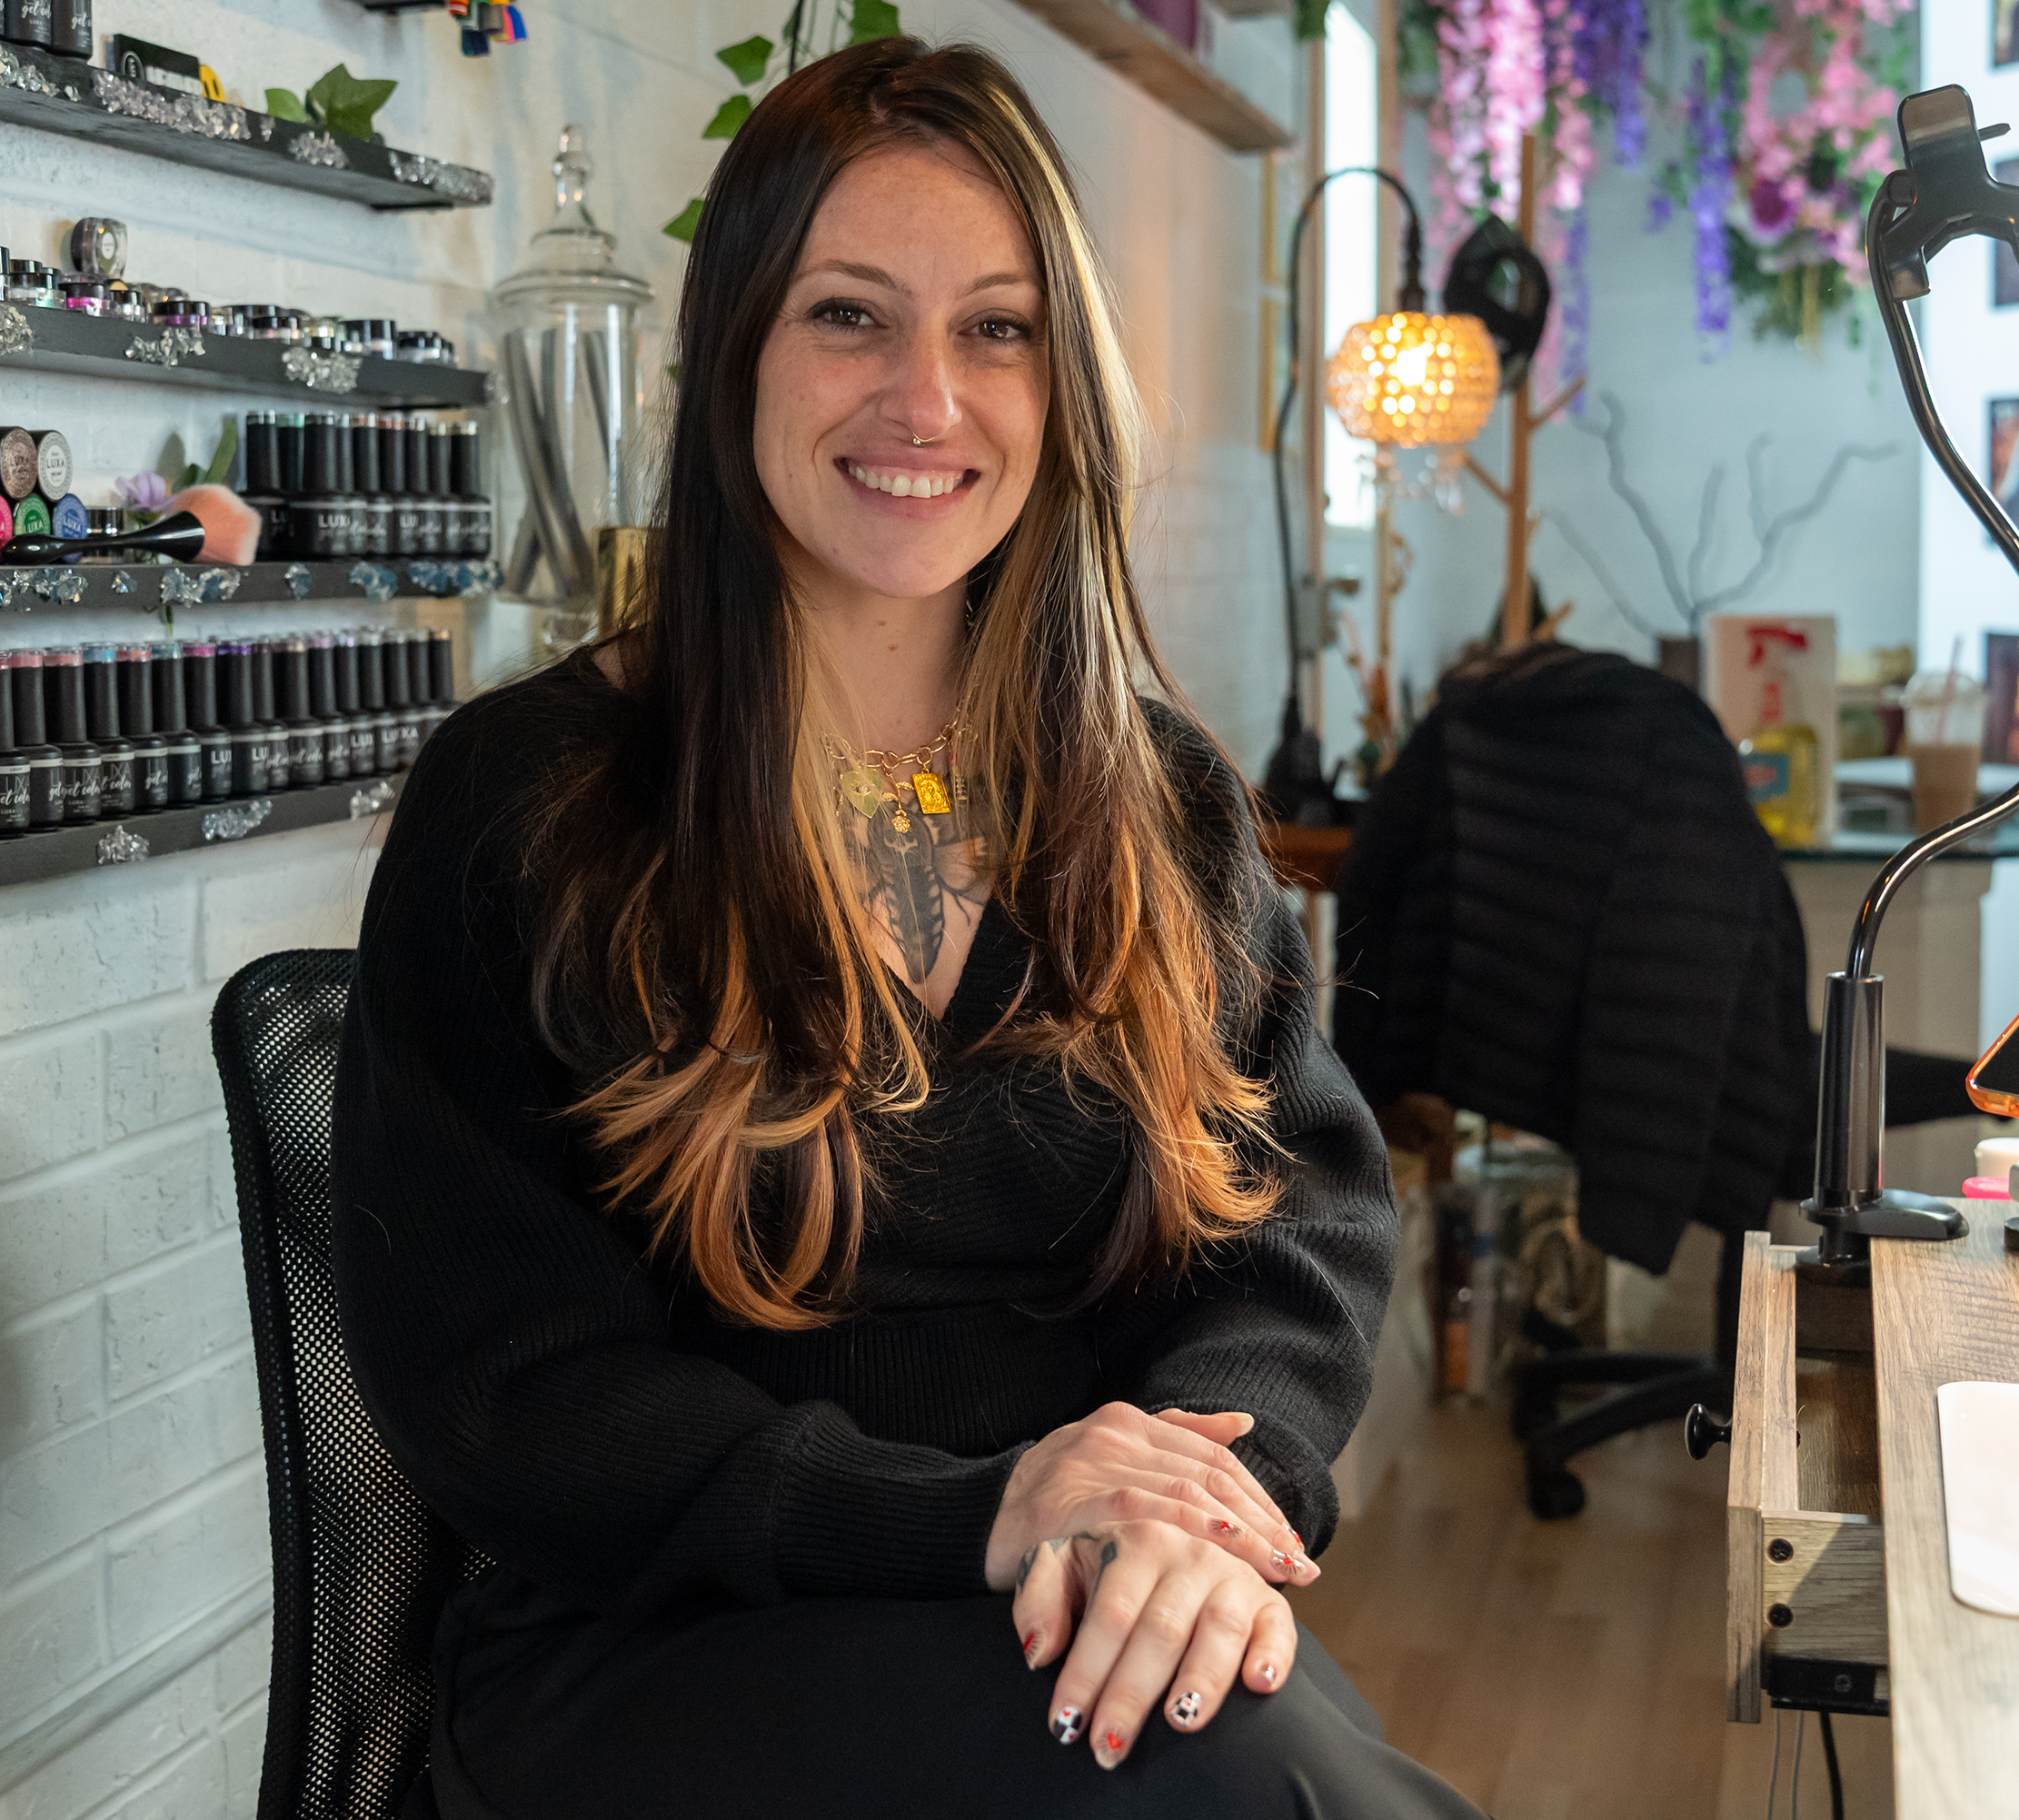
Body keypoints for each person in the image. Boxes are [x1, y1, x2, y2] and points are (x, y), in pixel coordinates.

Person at [331, 35, 1481, 1818]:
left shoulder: (1155, 799)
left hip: (1075, 1596)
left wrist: (1203, 1497)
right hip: (663, 1641)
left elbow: (1298, 1218)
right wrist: (983, 1508)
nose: (927, 398)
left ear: (1062, 380)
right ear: (736, 350)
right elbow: (519, 1391)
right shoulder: (531, 804)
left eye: (996, 329)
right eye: (850, 316)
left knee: (1263, 1765)